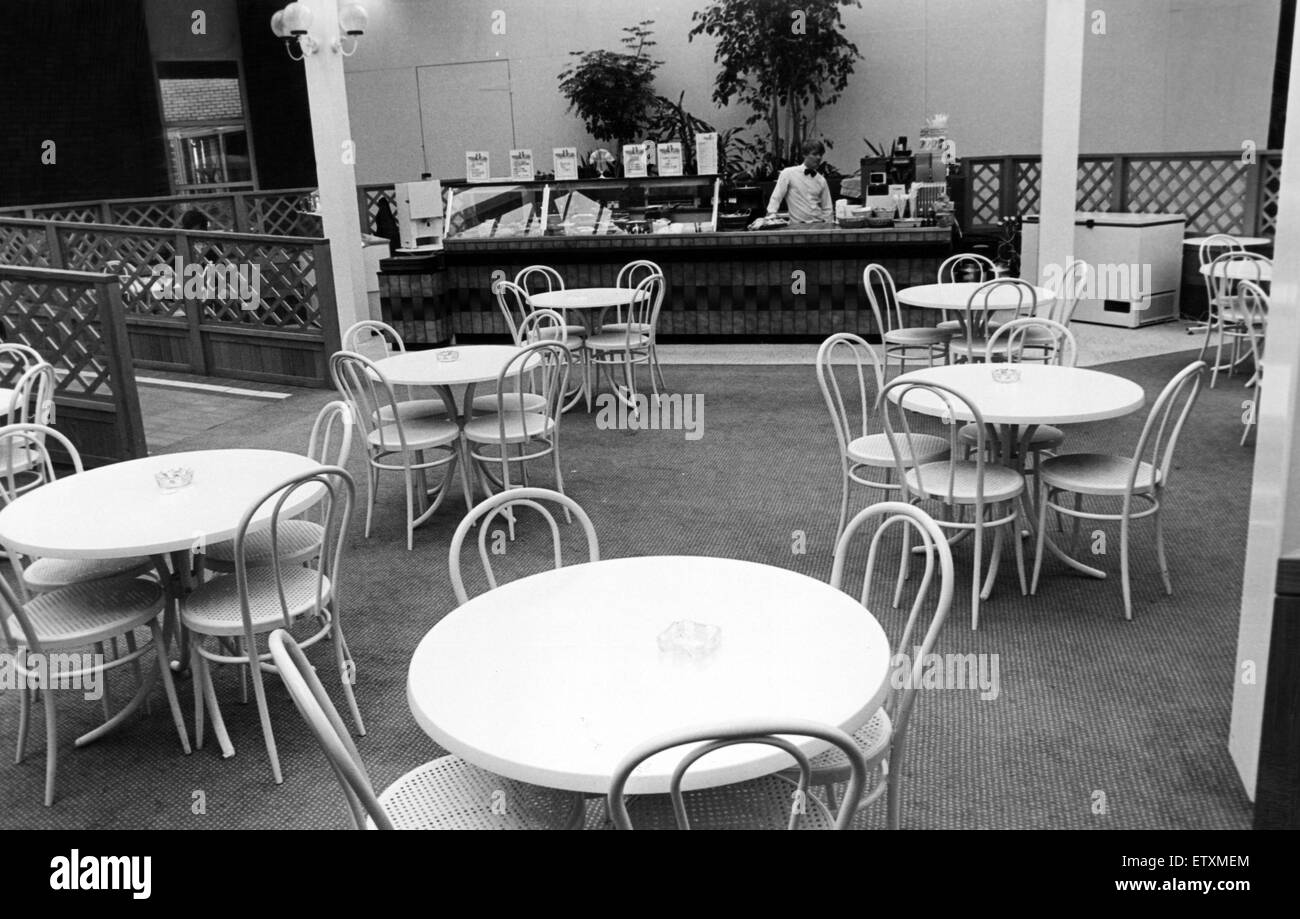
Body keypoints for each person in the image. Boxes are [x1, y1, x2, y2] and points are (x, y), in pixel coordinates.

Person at [766, 140, 833, 223]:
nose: (819, 157)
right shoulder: (788, 173)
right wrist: (771, 215)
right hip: (798, 225)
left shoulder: (821, 180)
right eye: (815, 154)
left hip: (819, 224)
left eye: (820, 154)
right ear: (804, 155)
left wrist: (828, 226)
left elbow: (827, 207)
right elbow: (776, 197)